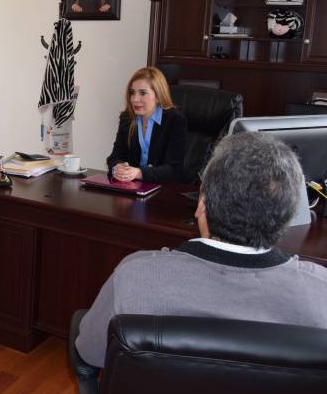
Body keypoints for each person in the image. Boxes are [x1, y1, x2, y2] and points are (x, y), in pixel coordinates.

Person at [76, 132, 327, 368]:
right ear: (286, 217)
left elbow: (90, 352)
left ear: (201, 205)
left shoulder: (135, 275)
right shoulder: (320, 291)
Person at [106, 66, 186, 183]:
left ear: (158, 96)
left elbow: (174, 170)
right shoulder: (127, 118)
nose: (135, 99)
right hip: (131, 187)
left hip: (164, 189)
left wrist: (140, 173)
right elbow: (114, 157)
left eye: (143, 93)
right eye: (132, 93)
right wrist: (117, 168)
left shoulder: (175, 120)